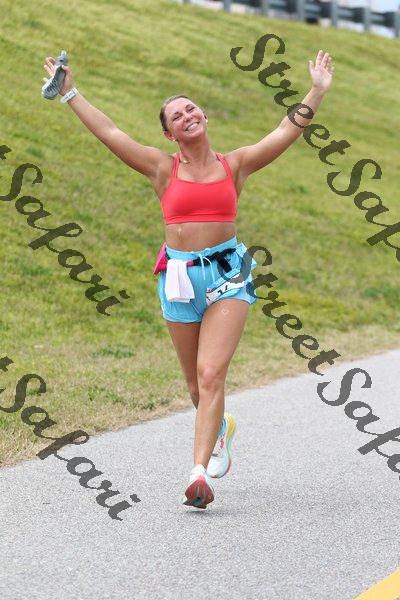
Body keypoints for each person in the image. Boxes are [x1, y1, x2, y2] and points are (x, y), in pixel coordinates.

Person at [42, 50, 334, 509]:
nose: (187, 116)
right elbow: (110, 132)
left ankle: (198, 472)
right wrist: (70, 93)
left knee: (211, 373)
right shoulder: (162, 168)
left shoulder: (236, 164)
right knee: (196, 388)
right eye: (176, 116)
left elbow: (284, 131)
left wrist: (316, 91)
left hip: (227, 276)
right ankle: (221, 429)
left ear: (204, 116)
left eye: (191, 108)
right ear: (169, 134)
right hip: (178, 279)